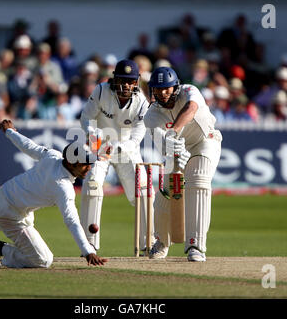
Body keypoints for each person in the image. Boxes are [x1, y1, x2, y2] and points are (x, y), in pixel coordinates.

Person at [0, 119, 107, 268]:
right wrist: (87, 251)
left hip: (6, 197)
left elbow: (29, 147)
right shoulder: (62, 186)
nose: (89, 167)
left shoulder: (53, 155)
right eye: (85, 164)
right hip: (12, 211)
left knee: (1, 218)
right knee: (43, 260)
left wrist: (10, 132)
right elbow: (71, 220)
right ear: (71, 162)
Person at [144, 67, 222, 262]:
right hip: (176, 150)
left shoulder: (189, 90)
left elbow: (191, 109)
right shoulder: (151, 115)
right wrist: (173, 150)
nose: (162, 93)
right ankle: (161, 241)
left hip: (205, 142)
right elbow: (162, 144)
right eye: (158, 89)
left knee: (198, 181)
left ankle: (196, 245)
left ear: (175, 86)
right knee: (165, 192)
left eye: (167, 88)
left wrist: (174, 131)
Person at [79, 59, 152, 253]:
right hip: (101, 146)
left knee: (143, 189)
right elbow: (86, 118)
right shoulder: (101, 91)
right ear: (115, 79)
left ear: (136, 82)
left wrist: (121, 147)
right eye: (122, 80)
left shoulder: (141, 102)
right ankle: (90, 243)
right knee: (93, 184)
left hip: (127, 148)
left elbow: (138, 135)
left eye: (130, 81)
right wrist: (91, 133)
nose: (126, 85)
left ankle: (148, 243)